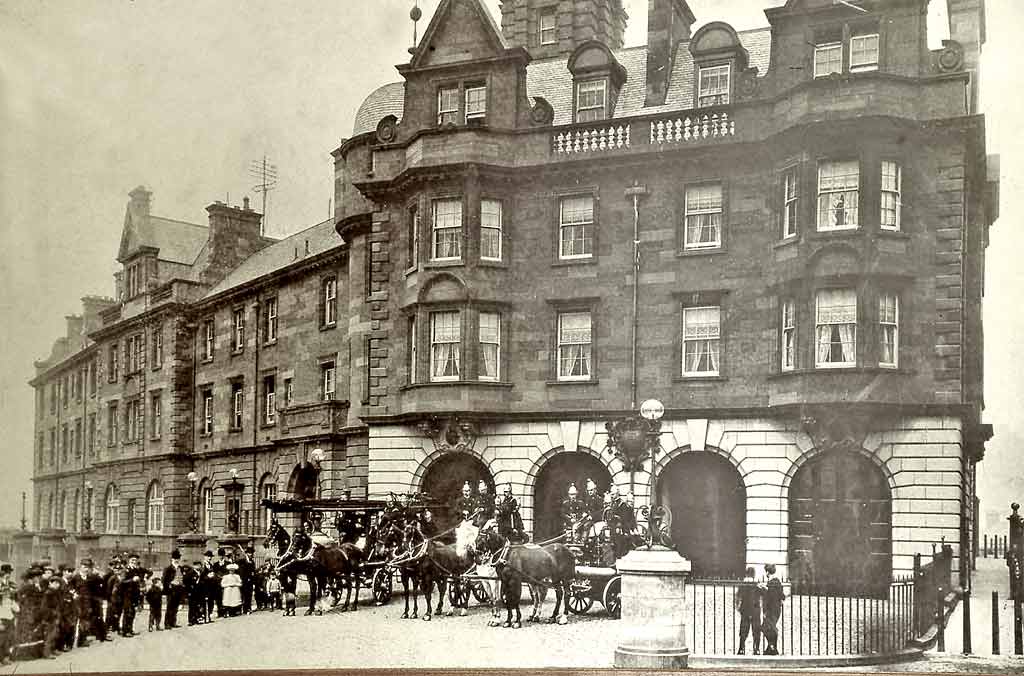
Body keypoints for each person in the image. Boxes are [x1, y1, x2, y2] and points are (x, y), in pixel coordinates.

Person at [734, 566, 762, 655]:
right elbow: (764, 595)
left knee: (743, 630)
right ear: (753, 574)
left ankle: (741, 648)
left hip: (745, 609)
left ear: (746, 574)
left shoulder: (743, 584)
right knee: (756, 630)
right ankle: (756, 649)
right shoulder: (757, 585)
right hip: (755, 609)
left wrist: (738, 607)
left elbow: (738, 597)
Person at [15, 566, 43, 648]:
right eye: (37, 577)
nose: (38, 578)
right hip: (27, 611)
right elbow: (20, 597)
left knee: (32, 630)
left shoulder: (36, 586)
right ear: (32, 578)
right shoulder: (27, 587)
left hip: (33, 611)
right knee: (26, 630)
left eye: (39, 577)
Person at [761, 563, 785, 656]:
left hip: (771, 609)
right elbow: (782, 596)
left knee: (766, 628)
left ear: (767, 572)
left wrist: (764, 589)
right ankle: (771, 648)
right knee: (770, 628)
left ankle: (772, 647)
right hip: (777, 609)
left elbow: (768, 598)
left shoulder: (771, 583)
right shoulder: (778, 582)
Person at [120, 553, 145, 637]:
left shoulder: (136, 570)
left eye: (135, 560)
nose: (134, 562)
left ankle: (130, 629)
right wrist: (132, 580)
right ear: (129, 561)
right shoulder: (125, 570)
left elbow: (139, 580)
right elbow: (122, 582)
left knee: (133, 612)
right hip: (127, 595)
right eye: (132, 560)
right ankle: (125, 631)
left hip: (134, 594)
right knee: (128, 612)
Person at [39, 575, 63, 659]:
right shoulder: (48, 594)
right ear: (50, 583)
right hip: (50, 618)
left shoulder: (56, 593)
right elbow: (44, 607)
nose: (57, 585)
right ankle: (47, 653)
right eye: (55, 583)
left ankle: (53, 649)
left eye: (58, 583)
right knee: (49, 635)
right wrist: (52, 613)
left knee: (55, 634)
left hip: (55, 616)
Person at [161, 549, 186, 629]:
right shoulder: (168, 568)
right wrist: (168, 586)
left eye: (178, 558)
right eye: (175, 558)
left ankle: (173, 622)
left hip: (178, 588)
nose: (176, 560)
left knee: (176, 606)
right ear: (172, 559)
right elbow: (164, 580)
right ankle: (167, 623)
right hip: (171, 589)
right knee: (170, 607)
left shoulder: (180, 568)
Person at [57, 565, 77, 651]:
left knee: (69, 626)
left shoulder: (70, 582)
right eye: (69, 571)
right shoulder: (60, 582)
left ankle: (68, 644)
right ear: (64, 572)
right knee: (63, 627)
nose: (71, 574)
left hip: (70, 608)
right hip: (63, 608)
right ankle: (62, 645)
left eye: (72, 572)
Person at [0, 564, 17, 664]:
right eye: (6, 573)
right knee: (2, 637)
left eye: (9, 573)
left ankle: (6, 656)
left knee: (9, 636)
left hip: (9, 612)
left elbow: (13, 595)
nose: (8, 574)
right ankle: (2, 657)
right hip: (2, 613)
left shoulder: (10, 584)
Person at [238, 546, 256, 614]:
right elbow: (241, 571)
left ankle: (248, 607)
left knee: (249, 595)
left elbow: (253, 572)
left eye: (251, 553)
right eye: (249, 553)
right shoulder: (242, 561)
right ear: (247, 554)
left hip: (250, 581)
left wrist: (253, 580)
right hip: (244, 581)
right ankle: (244, 608)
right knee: (244, 595)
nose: (250, 554)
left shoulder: (252, 562)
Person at [200, 550, 217, 623]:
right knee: (204, 602)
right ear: (205, 557)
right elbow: (200, 577)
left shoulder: (211, 565)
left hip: (211, 586)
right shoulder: (202, 565)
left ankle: (209, 615)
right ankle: (203, 616)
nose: (209, 558)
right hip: (204, 586)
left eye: (210, 557)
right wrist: (208, 576)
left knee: (211, 601)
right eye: (208, 556)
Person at [185, 561, 204, 626]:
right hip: (192, 592)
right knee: (192, 606)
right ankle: (191, 620)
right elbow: (186, 583)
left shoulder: (202, 573)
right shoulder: (190, 573)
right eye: (196, 565)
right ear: (194, 566)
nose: (198, 567)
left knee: (198, 606)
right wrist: (188, 592)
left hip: (200, 592)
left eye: (199, 565)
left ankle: (197, 618)